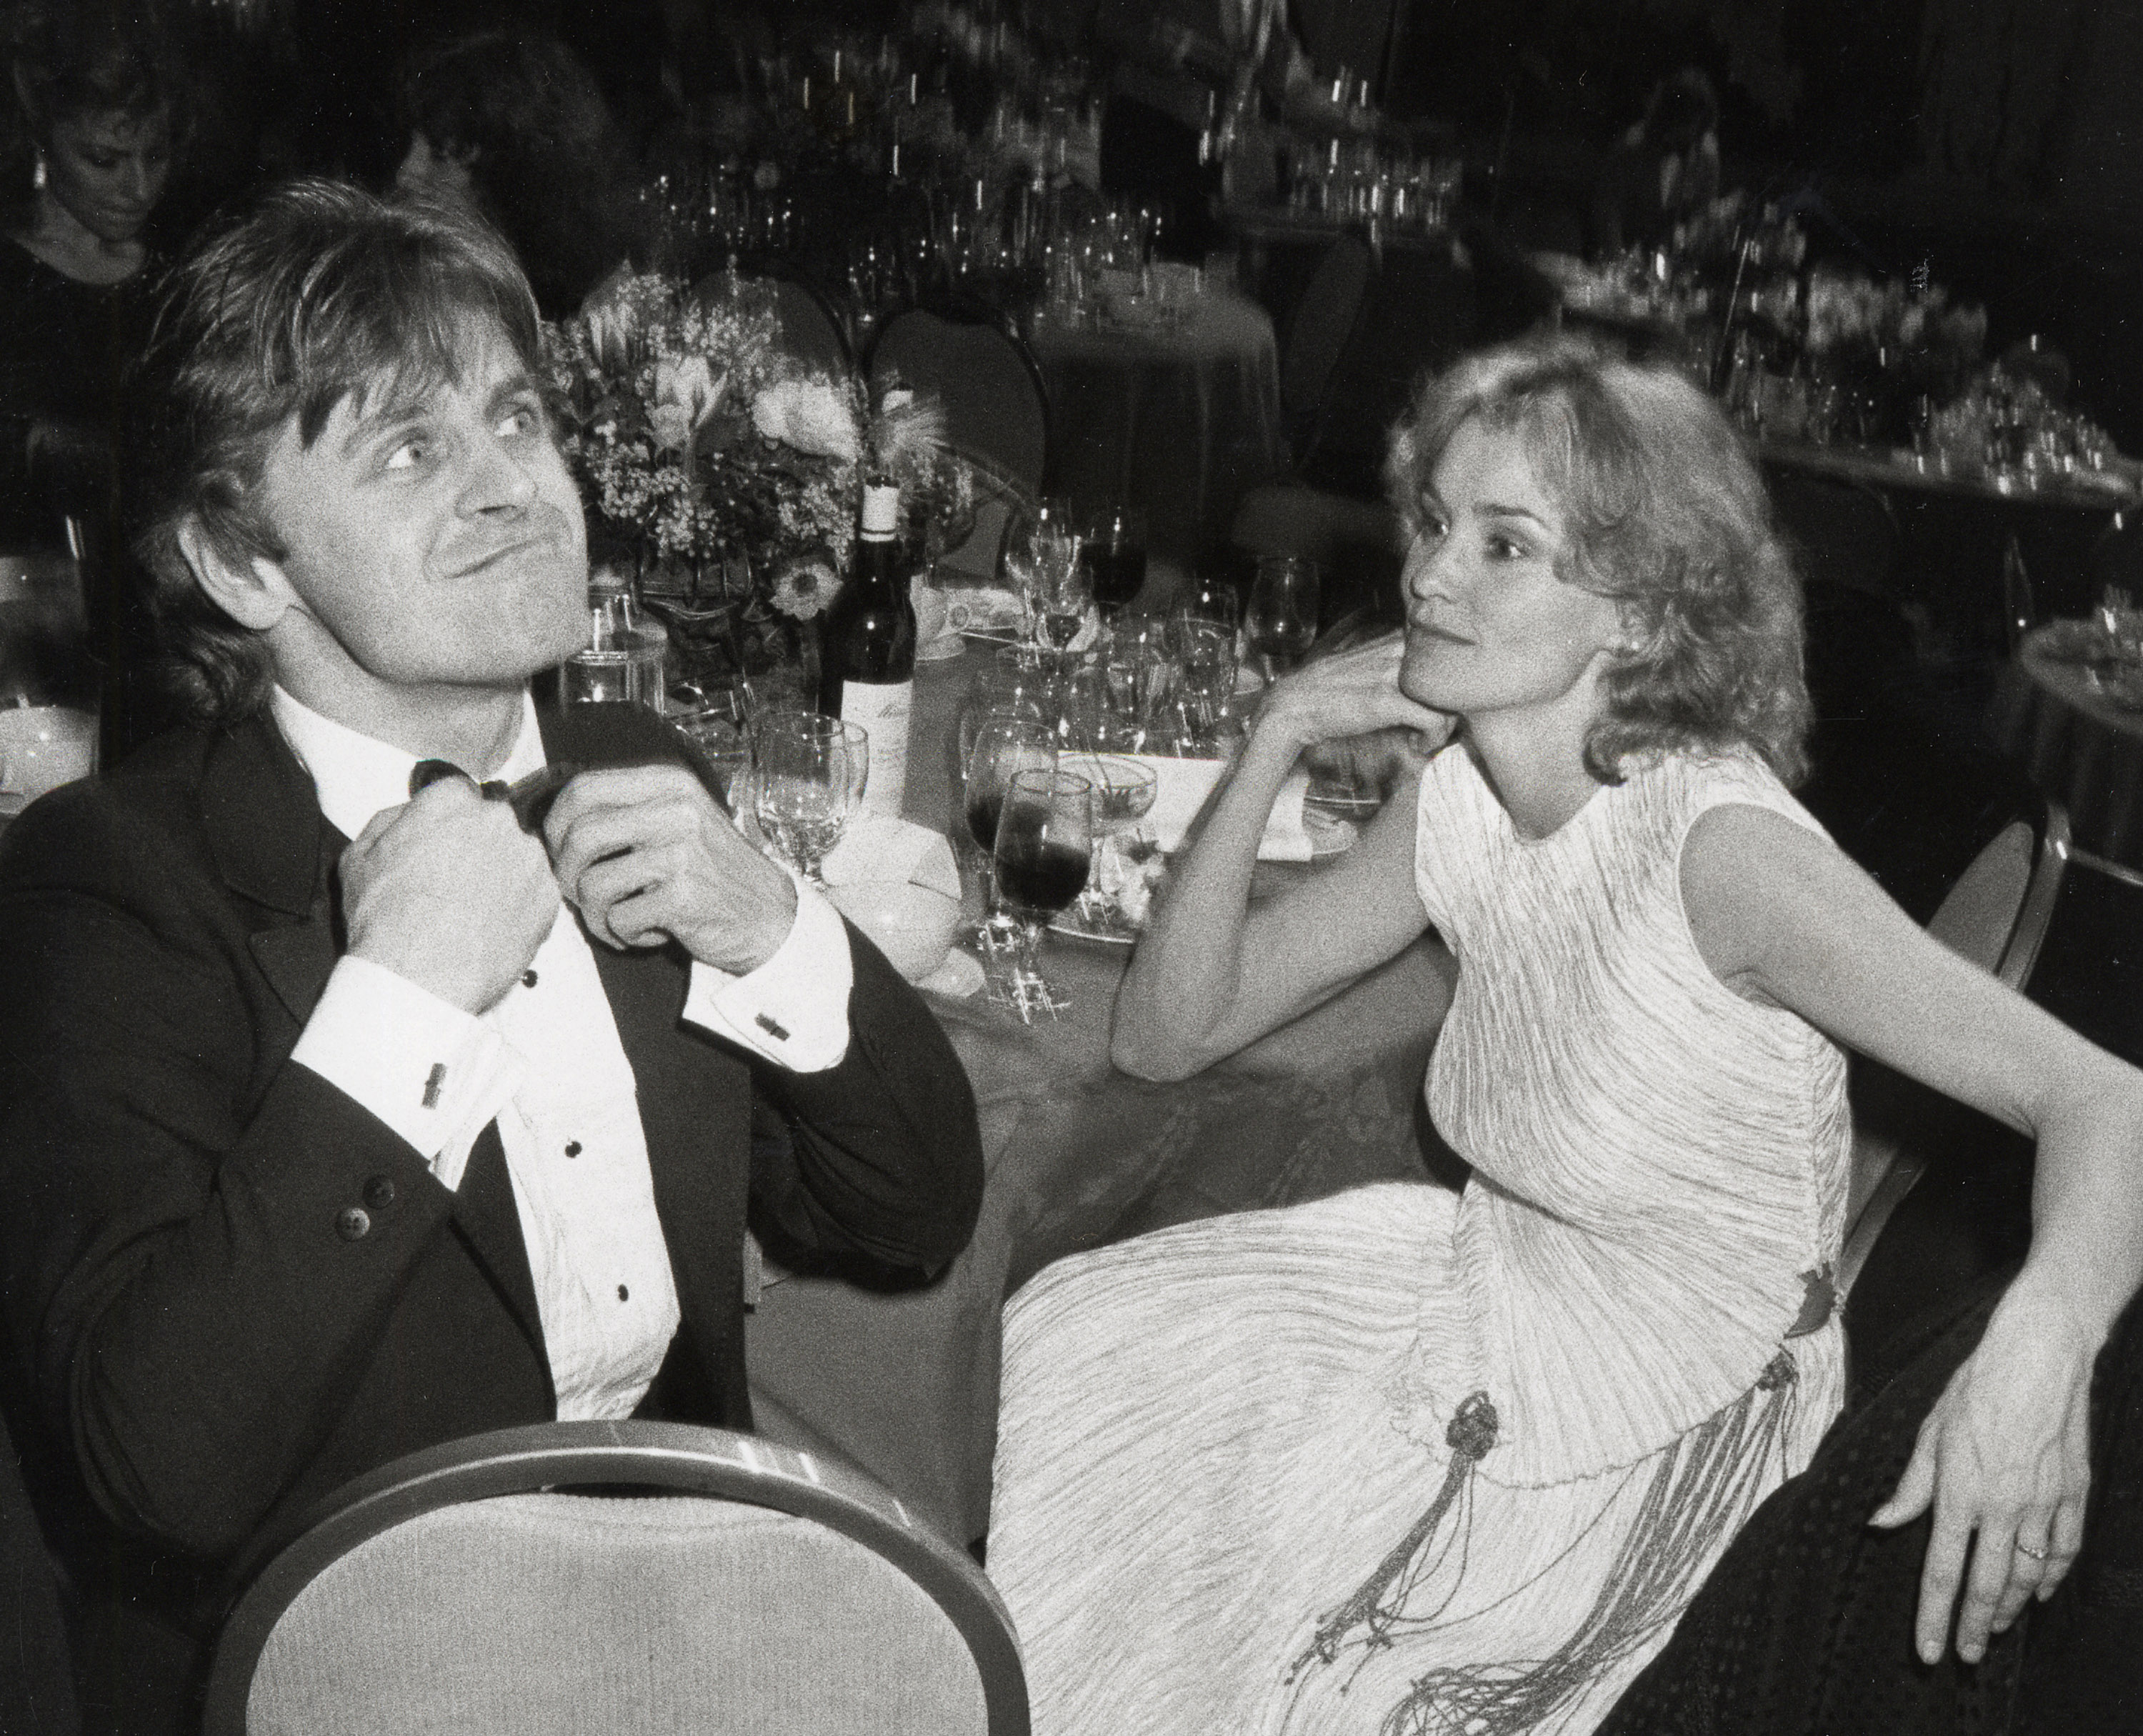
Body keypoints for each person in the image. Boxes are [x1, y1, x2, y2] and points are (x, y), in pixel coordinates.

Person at [986, 336, 2143, 1734]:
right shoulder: (1458, 798)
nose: (1428, 574)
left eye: (1505, 546)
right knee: (1081, 1349)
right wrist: (1278, 733)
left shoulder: (1725, 857)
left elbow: (2109, 1102)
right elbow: (1169, 1037)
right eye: (1434, 523)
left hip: (1659, 1421)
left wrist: (2043, 1344)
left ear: (1639, 614)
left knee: (1319, 1670)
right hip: (1479, 1298)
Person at [0, 180, 984, 1736]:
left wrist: (782, 934)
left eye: (516, 422)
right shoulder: (116, 887)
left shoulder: (637, 770)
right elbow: (153, 1475)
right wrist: (395, 1011)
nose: (510, 486)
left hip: (674, 1609)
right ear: (243, 566)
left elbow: (910, 1214)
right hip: (341, 1664)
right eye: (409, 449)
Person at [0, 0, 180, 542]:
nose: (140, 189)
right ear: (42, 141)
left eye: (156, 154)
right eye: (104, 161)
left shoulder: (178, 277)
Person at [391, 29, 650, 319]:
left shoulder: (603, 324)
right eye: (413, 145)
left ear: (518, 182)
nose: (406, 173)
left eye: (441, 154)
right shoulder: (410, 295)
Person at [1590, 65, 1721, 261]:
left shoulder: (1706, 152)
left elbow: (1702, 211)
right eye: (1684, 123)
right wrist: (1617, 262)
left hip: (1664, 266)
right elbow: (1609, 209)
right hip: (1619, 260)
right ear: (1666, 117)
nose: (1692, 134)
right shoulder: (1632, 146)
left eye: (1697, 126)